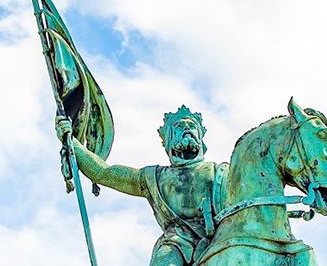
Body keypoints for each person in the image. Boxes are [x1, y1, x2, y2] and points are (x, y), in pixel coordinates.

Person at [57, 106, 226, 265]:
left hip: (222, 235)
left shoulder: (221, 172)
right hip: (177, 244)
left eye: (192, 126)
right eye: (180, 126)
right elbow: (103, 173)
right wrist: (72, 142)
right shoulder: (153, 177)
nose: (187, 129)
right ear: (168, 141)